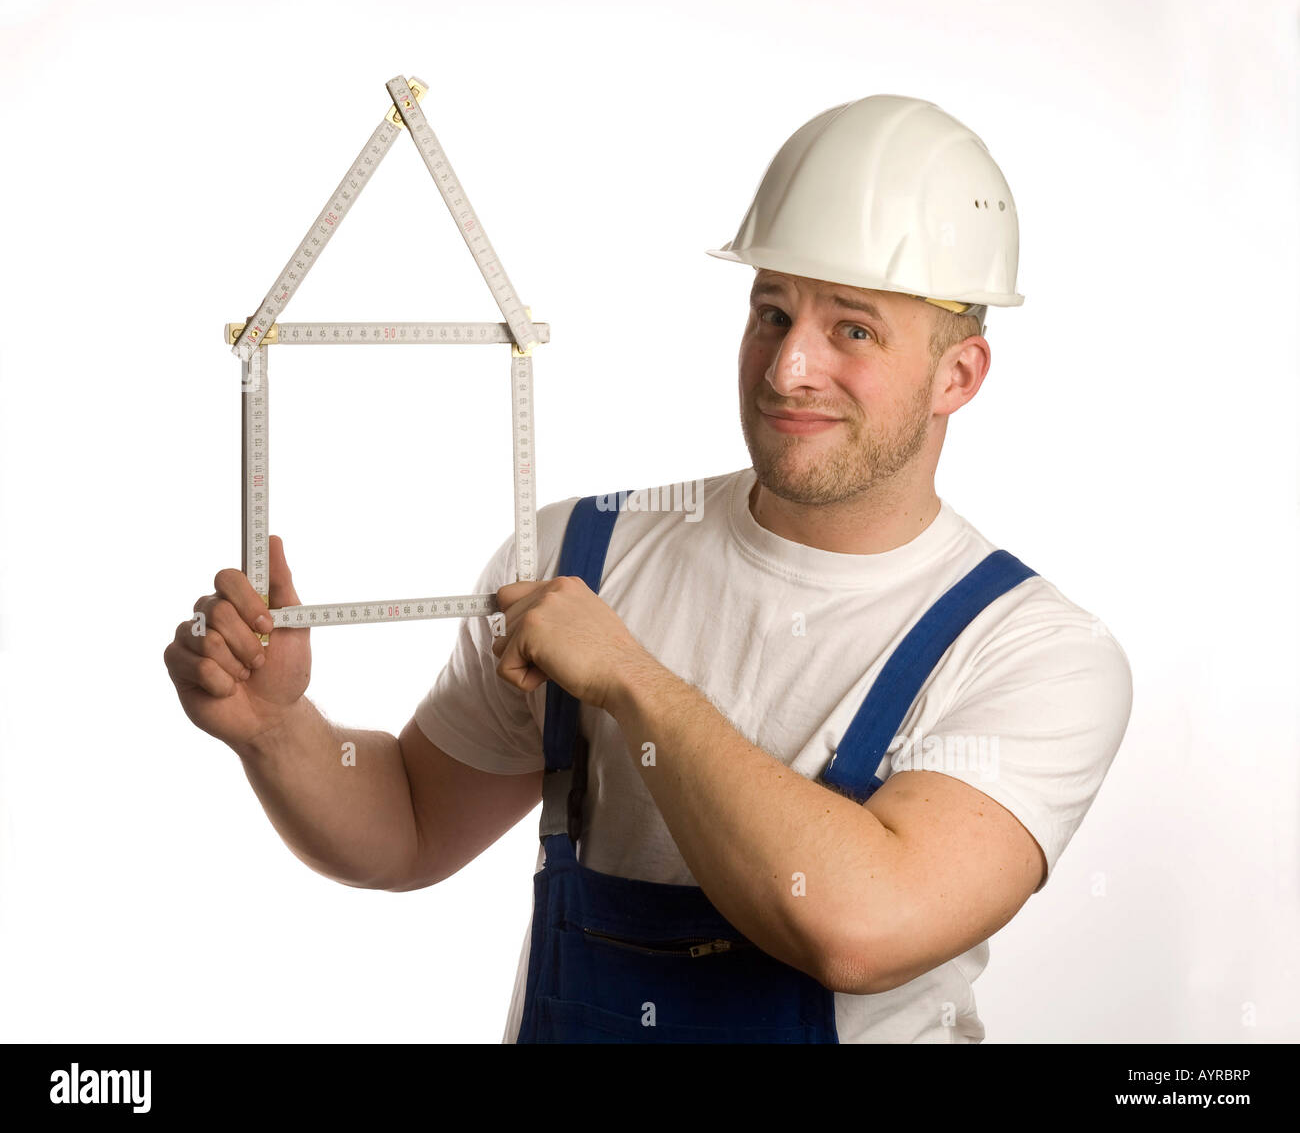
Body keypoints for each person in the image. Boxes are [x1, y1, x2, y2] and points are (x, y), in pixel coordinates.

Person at [164, 94, 1133, 1043]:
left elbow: (859, 926)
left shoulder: (1033, 654)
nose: (787, 367)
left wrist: (628, 678)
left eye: (853, 328)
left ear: (957, 376)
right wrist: (277, 731)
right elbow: (411, 824)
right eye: (770, 311)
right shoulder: (578, 555)